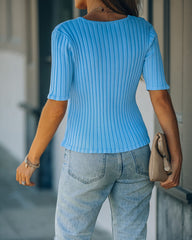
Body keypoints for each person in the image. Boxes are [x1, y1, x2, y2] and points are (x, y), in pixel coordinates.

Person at [16, 0, 183, 239]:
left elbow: (56, 106)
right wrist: (176, 155)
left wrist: (31, 160)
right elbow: (161, 99)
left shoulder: (66, 33)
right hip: (136, 155)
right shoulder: (143, 30)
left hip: (85, 155)